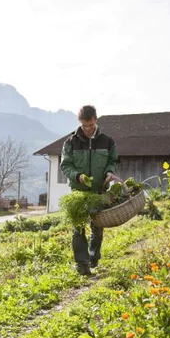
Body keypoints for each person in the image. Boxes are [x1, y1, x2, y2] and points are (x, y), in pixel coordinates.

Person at [60, 105, 120, 276]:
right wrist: (77, 176)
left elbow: (113, 161)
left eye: (91, 126)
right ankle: (82, 264)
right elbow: (65, 165)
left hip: (99, 191)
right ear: (80, 123)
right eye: (84, 126)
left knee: (98, 227)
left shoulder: (107, 141)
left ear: (95, 120)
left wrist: (109, 171)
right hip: (79, 193)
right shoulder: (71, 142)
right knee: (78, 228)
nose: (87, 129)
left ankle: (93, 258)